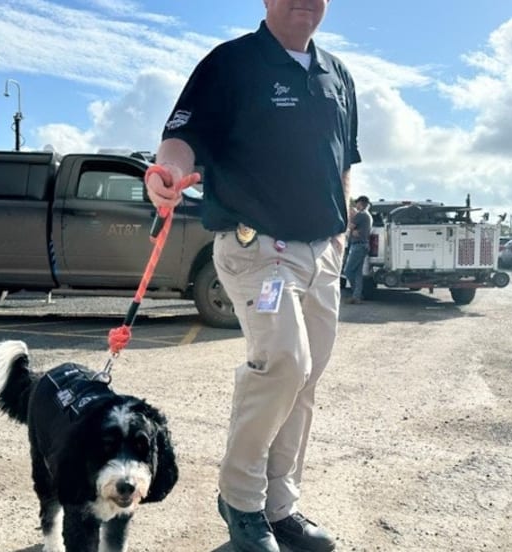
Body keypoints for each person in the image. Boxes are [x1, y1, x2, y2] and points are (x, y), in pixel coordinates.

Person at [144, 2, 360, 551]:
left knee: (304, 382)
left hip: (322, 252)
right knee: (284, 364)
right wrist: (166, 169)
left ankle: (280, 506)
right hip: (258, 249)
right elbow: (181, 137)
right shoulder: (231, 63)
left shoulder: (338, 75)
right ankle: (240, 501)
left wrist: (344, 230)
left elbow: (343, 163)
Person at [343, 195, 372, 304]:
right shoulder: (367, 215)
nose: (356, 205)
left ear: (361, 203)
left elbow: (349, 226)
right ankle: (357, 296)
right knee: (358, 273)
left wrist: (352, 228)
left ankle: (356, 294)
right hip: (362, 245)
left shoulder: (361, 214)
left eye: (357, 203)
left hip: (358, 246)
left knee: (348, 270)